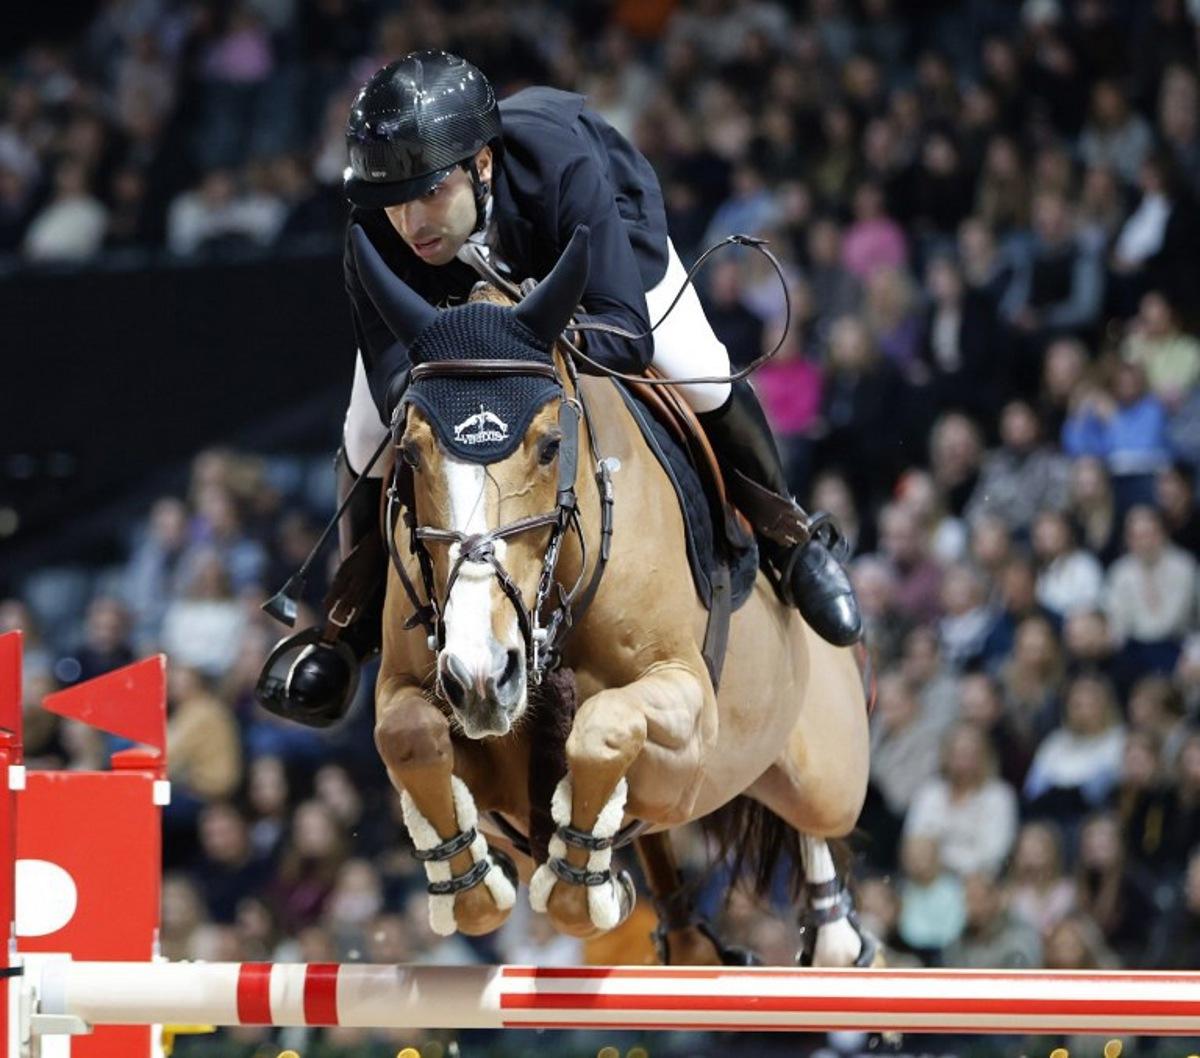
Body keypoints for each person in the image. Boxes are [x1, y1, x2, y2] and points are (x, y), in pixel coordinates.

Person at [259, 51, 862, 725]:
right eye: (393, 203)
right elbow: (400, 378)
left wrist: (516, 348)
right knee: (364, 429)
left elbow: (623, 330)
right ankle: (351, 625)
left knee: (699, 367)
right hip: (461, 318)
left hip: (606, 263)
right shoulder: (374, 229)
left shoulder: (558, 163)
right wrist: (471, 359)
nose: (411, 224)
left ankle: (789, 536)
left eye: (430, 193)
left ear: (481, 166)